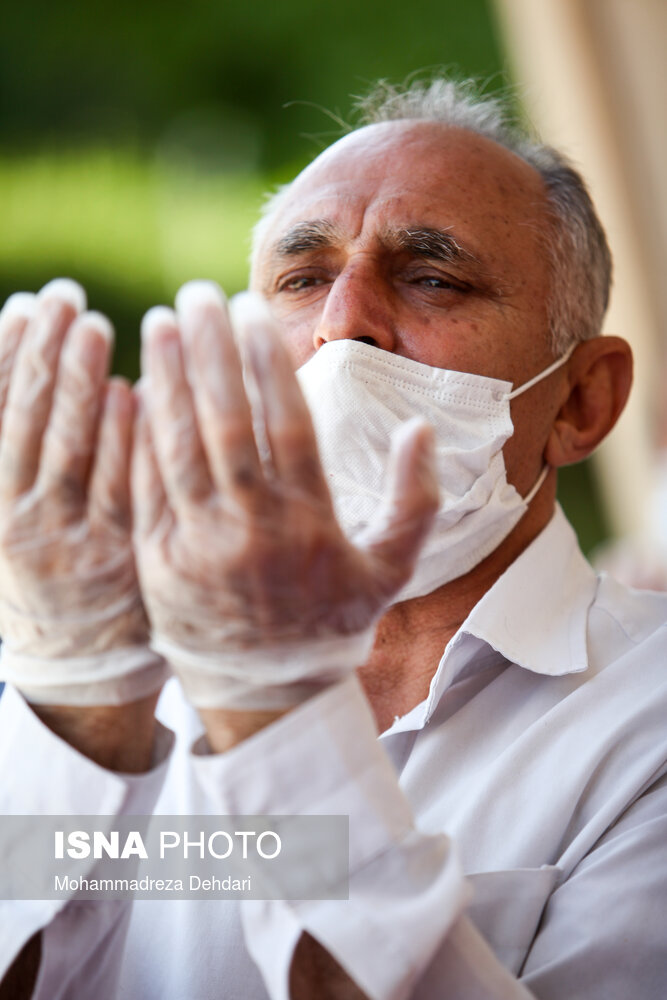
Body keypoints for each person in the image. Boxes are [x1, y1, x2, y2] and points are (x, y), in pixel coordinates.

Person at [0, 77, 665, 1000]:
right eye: (302, 280)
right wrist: (78, 709)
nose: (341, 324)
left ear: (582, 401)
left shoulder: (646, 720)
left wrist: (274, 709)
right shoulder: (87, 666)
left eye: (432, 278)